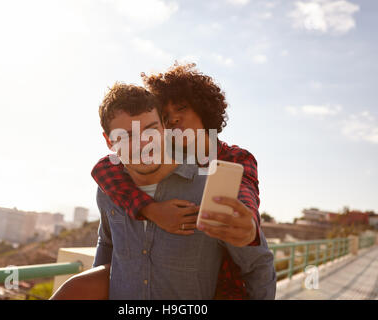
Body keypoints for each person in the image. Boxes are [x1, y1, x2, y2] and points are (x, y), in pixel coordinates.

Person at [90, 63, 268, 299]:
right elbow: (105, 168)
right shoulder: (150, 157)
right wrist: (151, 210)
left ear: (203, 109)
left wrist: (249, 226)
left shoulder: (233, 159)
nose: (173, 119)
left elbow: (244, 195)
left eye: (181, 108)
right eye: (165, 114)